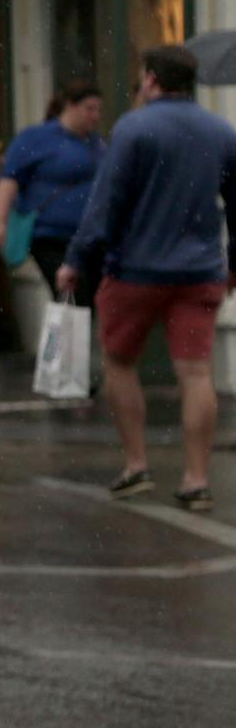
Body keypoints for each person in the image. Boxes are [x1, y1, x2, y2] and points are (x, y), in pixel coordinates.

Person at [61, 44, 236, 510]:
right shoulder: (221, 131)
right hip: (199, 271)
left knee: (120, 363)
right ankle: (196, 478)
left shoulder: (133, 129)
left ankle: (136, 465)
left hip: (136, 271)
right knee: (196, 373)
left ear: (153, 80)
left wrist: (76, 258)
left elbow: (106, 203)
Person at [0, 80, 106, 300]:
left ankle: (77, 334)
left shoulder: (96, 143)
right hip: (51, 236)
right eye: (89, 109)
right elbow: (10, 179)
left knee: (88, 300)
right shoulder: (36, 138)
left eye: (99, 110)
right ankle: (69, 335)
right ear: (70, 105)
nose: (95, 116)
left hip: (89, 238)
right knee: (72, 296)